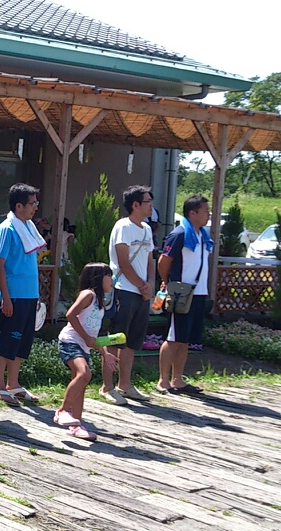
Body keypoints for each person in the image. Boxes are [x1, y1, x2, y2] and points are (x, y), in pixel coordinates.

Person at [0, 183, 43, 406]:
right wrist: (6, 297)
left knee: (22, 342)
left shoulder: (29, 227)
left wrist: (37, 295)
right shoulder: (7, 228)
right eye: (32, 203)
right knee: (8, 340)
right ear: (18, 206)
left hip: (30, 295)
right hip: (14, 295)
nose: (35, 207)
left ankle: (14, 383)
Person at [103, 185, 155, 405]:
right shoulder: (123, 226)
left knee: (132, 341)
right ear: (135, 204)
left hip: (141, 293)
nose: (151, 205)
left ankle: (125, 385)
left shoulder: (147, 229)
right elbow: (123, 261)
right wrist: (142, 285)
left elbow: (150, 259)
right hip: (123, 290)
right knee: (115, 339)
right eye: (148, 201)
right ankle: (107, 386)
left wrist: (150, 284)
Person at [55, 263, 119, 441]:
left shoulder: (99, 304)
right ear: (98, 278)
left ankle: (76, 425)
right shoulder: (88, 295)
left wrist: (104, 353)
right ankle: (62, 411)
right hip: (70, 342)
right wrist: (85, 337)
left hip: (83, 346)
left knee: (81, 385)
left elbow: (92, 336)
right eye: (108, 276)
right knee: (84, 374)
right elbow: (70, 315)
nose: (112, 280)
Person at [156, 194, 211, 395]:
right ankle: (163, 380)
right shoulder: (179, 234)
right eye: (205, 211)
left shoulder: (203, 235)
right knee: (173, 337)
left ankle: (177, 379)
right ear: (192, 213)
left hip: (199, 293)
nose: (209, 214)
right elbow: (163, 261)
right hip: (181, 293)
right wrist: (168, 282)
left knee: (184, 339)